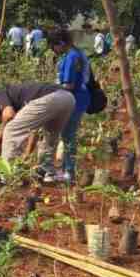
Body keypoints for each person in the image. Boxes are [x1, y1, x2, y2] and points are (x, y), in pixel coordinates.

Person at [0, 81, 75, 182]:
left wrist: (1, 130)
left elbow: (8, 114)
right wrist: (27, 152)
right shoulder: (23, 96)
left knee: (11, 129)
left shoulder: (0, 93)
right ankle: (46, 171)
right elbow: (33, 130)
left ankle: (8, 175)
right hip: (68, 98)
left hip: (51, 97)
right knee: (50, 134)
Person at [52, 29, 90, 183]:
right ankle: (67, 170)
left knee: (68, 136)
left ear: (60, 43)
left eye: (53, 46)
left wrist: (50, 89)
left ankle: (69, 172)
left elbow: (69, 84)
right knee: (68, 135)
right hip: (77, 98)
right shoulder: (76, 53)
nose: (53, 50)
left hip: (74, 99)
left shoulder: (72, 57)